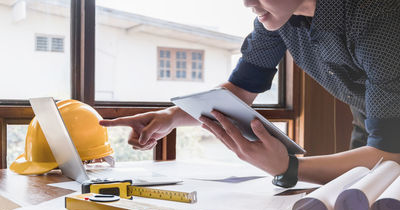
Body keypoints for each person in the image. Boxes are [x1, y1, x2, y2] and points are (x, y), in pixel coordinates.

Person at [100, 0, 400, 186]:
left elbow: (392, 154)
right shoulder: (280, 18)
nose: (247, 2)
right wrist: (171, 117)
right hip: (372, 136)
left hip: (387, 146)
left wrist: (289, 167)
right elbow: (239, 90)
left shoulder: (379, 16)